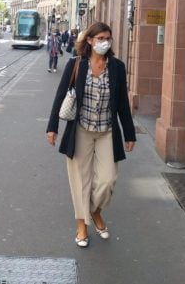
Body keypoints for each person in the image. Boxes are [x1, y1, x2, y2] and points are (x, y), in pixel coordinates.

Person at [46, 21, 136, 248]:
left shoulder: (117, 67)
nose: (105, 42)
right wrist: (52, 127)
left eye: (108, 38)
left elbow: (123, 103)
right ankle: (82, 225)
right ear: (89, 40)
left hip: (107, 131)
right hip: (81, 130)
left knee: (107, 180)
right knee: (80, 180)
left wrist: (129, 133)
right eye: (100, 39)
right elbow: (60, 95)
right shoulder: (76, 64)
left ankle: (95, 211)